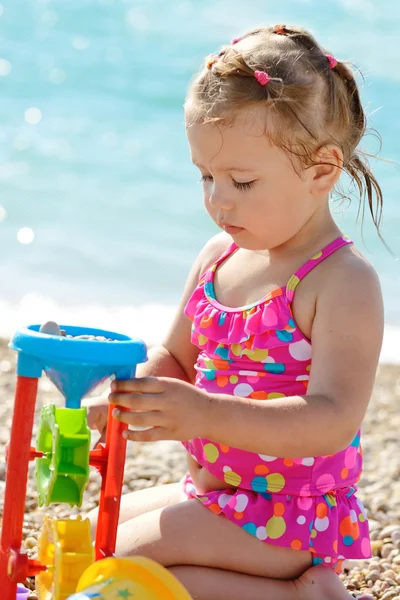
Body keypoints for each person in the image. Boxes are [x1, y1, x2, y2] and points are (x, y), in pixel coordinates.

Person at [84, 24, 384, 600]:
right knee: (99, 536)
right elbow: (175, 356)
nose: (218, 200)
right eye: (206, 176)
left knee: (113, 565)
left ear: (322, 170)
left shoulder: (340, 281)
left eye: (242, 181)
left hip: (290, 515)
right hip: (215, 493)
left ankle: (303, 592)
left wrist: (205, 414)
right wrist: (129, 398)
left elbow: (331, 419)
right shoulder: (219, 255)